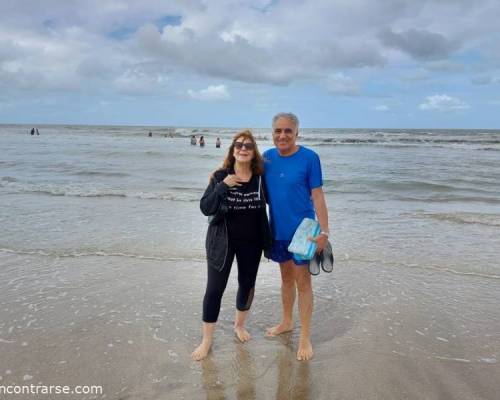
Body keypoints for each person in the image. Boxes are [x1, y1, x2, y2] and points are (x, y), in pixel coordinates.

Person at [192, 130, 272, 361]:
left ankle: (239, 325)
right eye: (239, 145)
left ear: (253, 151)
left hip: (252, 243)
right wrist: (222, 186)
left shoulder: (260, 179)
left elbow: (274, 205)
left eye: (248, 145)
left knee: (247, 285)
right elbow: (205, 208)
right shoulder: (220, 176)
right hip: (221, 242)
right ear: (233, 150)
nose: (243, 148)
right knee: (215, 289)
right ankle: (207, 340)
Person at [263, 112, 329, 361]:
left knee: (303, 283)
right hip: (276, 231)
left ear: (296, 133)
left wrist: (324, 232)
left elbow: (318, 196)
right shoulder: (267, 158)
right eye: (278, 131)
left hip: (303, 233)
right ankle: (287, 322)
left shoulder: (310, 158)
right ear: (272, 134)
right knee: (285, 279)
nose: (283, 135)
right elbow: (242, 170)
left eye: (288, 131)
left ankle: (305, 337)